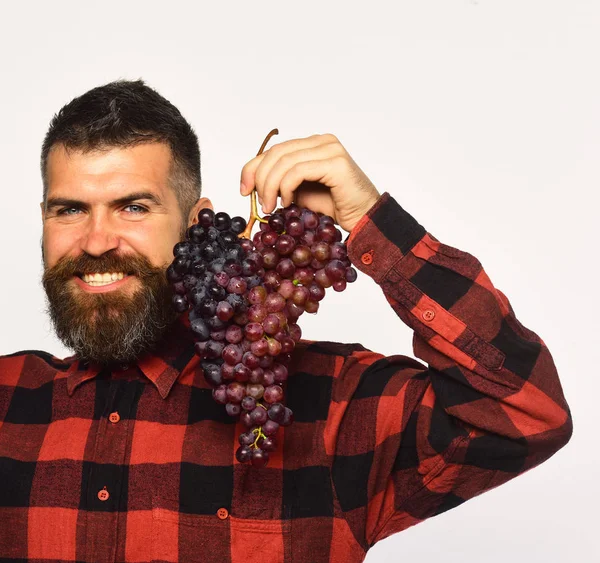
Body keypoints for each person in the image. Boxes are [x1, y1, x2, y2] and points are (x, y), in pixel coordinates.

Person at [0, 79, 572, 563]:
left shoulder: (331, 404)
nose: (96, 241)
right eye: (69, 209)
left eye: (134, 206)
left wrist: (372, 222)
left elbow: (525, 412)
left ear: (198, 225)